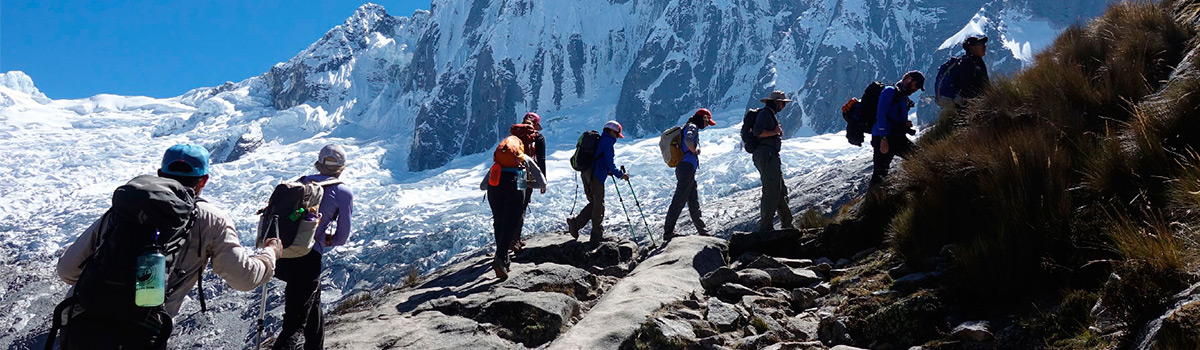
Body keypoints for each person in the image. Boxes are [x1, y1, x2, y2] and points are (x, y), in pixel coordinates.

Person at [54, 144, 281, 350]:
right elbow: (243, 278)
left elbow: (67, 270)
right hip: (141, 332)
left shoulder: (124, 209)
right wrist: (270, 253)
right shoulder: (212, 220)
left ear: (160, 174)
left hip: (82, 321)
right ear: (203, 180)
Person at [273, 144, 355, 350]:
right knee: (294, 325)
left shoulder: (299, 184)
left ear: (318, 164)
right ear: (342, 167)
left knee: (313, 302)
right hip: (307, 259)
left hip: (281, 254)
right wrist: (326, 240)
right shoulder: (342, 191)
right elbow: (342, 237)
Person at [481, 136, 547, 280]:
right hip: (517, 183)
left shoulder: (497, 163)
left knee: (498, 221)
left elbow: (483, 186)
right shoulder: (525, 160)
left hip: (494, 189)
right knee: (510, 224)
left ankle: (503, 259)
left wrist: (496, 182)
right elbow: (542, 183)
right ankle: (500, 258)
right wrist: (527, 184)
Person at [566, 121, 628, 243]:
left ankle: (576, 224)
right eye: (617, 134)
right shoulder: (607, 142)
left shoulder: (600, 140)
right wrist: (620, 174)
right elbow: (609, 161)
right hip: (596, 176)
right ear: (612, 131)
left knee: (594, 203)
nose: (617, 137)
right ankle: (596, 234)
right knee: (598, 204)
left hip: (587, 173)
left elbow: (600, 159)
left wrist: (608, 170)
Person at [663, 109, 715, 241]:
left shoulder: (689, 125)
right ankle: (668, 232)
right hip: (686, 167)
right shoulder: (692, 127)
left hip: (685, 168)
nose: (707, 125)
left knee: (693, 199)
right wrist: (695, 150)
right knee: (679, 199)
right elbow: (688, 140)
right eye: (707, 121)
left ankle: (702, 230)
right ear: (703, 118)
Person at [871, 71, 924, 185]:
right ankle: (874, 200)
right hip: (883, 138)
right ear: (909, 79)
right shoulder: (890, 91)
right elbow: (881, 114)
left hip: (897, 138)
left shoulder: (902, 96)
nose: (917, 89)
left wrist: (905, 124)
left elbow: (894, 117)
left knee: (920, 157)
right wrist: (883, 138)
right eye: (917, 85)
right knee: (880, 176)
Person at [753, 91, 795, 233]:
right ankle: (765, 228)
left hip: (770, 155)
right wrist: (775, 132)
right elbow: (758, 132)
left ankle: (787, 223)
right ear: (777, 103)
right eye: (783, 103)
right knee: (771, 191)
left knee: (780, 190)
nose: (783, 107)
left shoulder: (769, 114)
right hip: (767, 155)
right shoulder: (765, 114)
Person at [513, 112, 547, 253]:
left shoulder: (514, 135)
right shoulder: (538, 137)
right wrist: (543, 180)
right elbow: (541, 159)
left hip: (512, 172)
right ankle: (515, 240)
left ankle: (508, 239)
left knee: (512, 205)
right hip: (526, 174)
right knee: (522, 205)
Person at [937, 35, 990, 112]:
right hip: (970, 106)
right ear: (971, 48)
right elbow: (967, 86)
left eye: (984, 44)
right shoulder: (968, 62)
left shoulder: (974, 61)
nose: (984, 46)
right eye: (980, 44)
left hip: (969, 105)